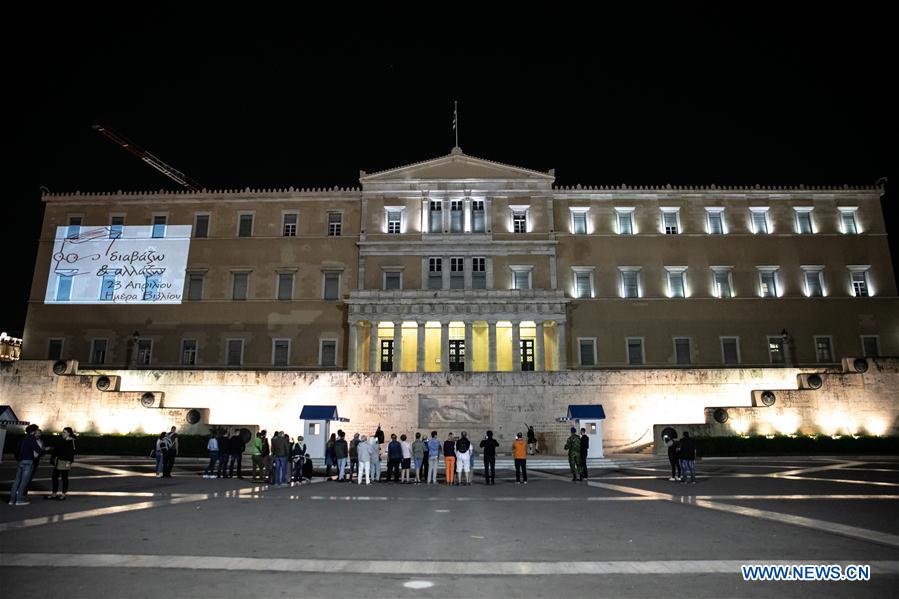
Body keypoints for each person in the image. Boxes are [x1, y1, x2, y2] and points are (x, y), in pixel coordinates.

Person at [9, 424, 41, 505]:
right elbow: (38, 449)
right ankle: (19, 500)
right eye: (36, 431)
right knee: (24, 481)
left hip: (21, 461)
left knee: (16, 481)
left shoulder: (23, 438)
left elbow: (17, 450)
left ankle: (12, 500)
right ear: (33, 432)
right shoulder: (32, 438)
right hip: (28, 461)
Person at [46, 427, 76, 499]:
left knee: (64, 478)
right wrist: (50, 449)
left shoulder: (72, 441)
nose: (63, 433)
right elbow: (56, 449)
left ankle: (63, 493)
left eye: (64, 432)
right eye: (63, 432)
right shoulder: (61, 440)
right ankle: (54, 493)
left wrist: (69, 462)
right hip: (58, 461)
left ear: (69, 433)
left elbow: (72, 452)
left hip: (66, 462)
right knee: (54, 477)